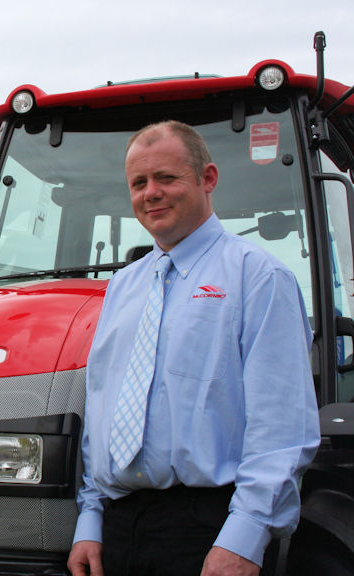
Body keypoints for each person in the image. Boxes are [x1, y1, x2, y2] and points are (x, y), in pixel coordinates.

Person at [67, 121, 320, 576]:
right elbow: (101, 412)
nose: (151, 193)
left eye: (166, 178)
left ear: (208, 179)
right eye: (139, 183)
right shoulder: (122, 288)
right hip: (119, 529)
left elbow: (282, 425)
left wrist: (244, 537)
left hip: (209, 532)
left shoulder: (257, 277)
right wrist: (91, 519)